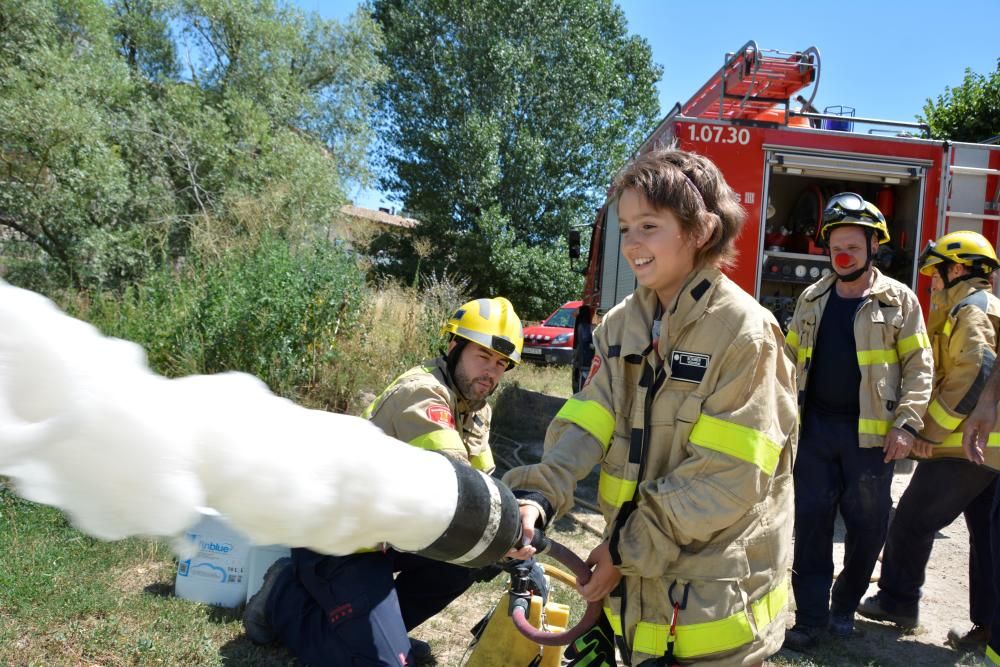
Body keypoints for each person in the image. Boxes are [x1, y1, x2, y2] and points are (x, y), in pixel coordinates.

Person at [504, 149, 799, 666]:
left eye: (649, 225)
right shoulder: (622, 325)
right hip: (642, 588)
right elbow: (588, 418)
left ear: (701, 230)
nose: (632, 244)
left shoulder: (746, 335)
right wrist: (539, 494)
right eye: (624, 228)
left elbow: (727, 478)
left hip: (712, 609)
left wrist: (624, 550)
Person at [242, 297, 524, 666]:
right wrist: (502, 537)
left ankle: (382, 635)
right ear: (454, 347)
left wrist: (508, 536)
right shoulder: (423, 394)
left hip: (388, 534)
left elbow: (486, 484)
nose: (490, 372)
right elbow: (463, 493)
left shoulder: (476, 408)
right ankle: (283, 598)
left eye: (501, 364)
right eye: (482, 357)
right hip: (340, 540)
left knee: (468, 563)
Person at [782, 192, 934, 651]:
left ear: (873, 247)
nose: (842, 253)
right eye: (835, 245)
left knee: (868, 527)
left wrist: (906, 425)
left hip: (870, 438)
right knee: (810, 524)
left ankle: (844, 604)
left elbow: (920, 366)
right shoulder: (812, 298)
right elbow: (789, 361)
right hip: (815, 433)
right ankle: (809, 618)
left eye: (852, 244)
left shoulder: (899, 300)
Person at [857, 230, 1000, 650]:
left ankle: (897, 602)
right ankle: (988, 632)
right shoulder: (986, 307)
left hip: (963, 446)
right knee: (988, 543)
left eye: (936, 275)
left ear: (957, 269)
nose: (933, 285)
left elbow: (976, 369)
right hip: (988, 451)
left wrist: (927, 434)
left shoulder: (971, 310)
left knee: (912, 521)